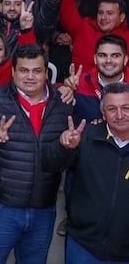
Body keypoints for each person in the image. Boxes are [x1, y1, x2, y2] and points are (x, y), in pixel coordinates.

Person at [0, 45, 74, 264]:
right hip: (0, 208)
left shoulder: (62, 104)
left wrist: (67, 147)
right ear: (13, 72)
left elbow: (59, 161)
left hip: (43, 208)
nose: (30, 76)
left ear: (46, 73)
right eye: (24, 70)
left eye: (37, 70)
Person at [62, 82, 129, 263]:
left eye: (126, 108)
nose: (120, 115)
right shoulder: (86, 137)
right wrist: (65, 148)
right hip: (84, 246)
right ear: (103, 114)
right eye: (112, 109)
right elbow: (51, 164)